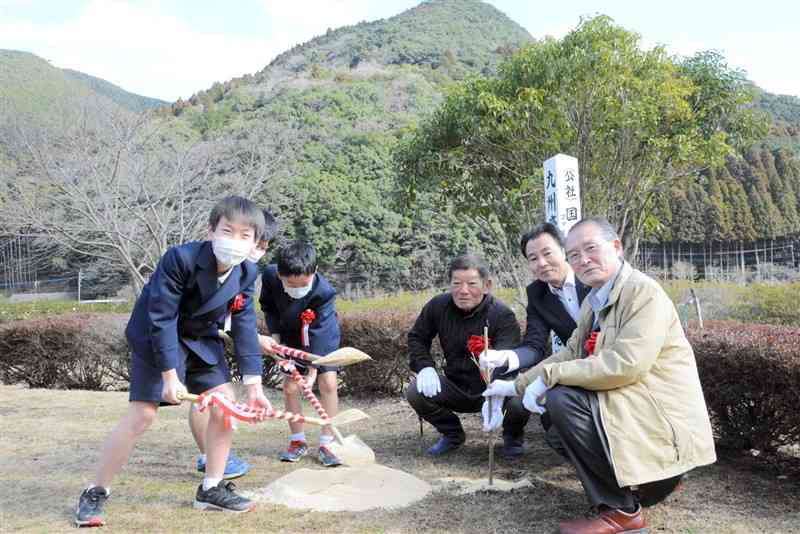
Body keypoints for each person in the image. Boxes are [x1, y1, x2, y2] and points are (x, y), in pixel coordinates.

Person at [484, 217, 716, 534]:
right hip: (630, 401)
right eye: (575, 254)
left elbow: (626, 364)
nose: (582, 260)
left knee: (561, 399)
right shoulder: (594, 300)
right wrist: (513, 384)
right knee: (556, 428)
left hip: (657, 410)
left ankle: (622, 510)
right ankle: (647, 484)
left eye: (590, 249)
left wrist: (550, 376)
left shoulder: (642, 293)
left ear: (616, 247)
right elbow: (568, 351)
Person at [74, 196, 271, 527]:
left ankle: (211, 489)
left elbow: (245, 325)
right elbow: (162, 318)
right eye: (227, 231)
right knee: (142, 416)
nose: (234, 241)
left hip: (201, 339)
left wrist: (254, 385)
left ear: (255, 242)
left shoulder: (247, 272)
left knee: (225, 405)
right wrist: (169, 376)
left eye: (244, 235)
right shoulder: (179, 258)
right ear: (211, 230)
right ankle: (95, 492)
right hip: (158, 336)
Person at [480, 223, 590, 456]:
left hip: (607, 363)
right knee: (552, 419)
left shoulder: (590, 277)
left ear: (564, 250)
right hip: (573, 366)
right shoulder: (537, 294)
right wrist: (506, 356)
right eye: (532, 258)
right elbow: (534, 345)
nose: (541, 263)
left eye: (547, 253)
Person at [188, 209, 279, 480]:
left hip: (210, 338)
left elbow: (239, 317)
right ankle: (210, 456)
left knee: (219, 397)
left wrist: (251, 337)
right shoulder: (200, 262)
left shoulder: (247, 272)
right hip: (191, 339)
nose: (255, 251)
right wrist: (248, 336)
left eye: (261, 246)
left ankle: (215, 464)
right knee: (205, 399)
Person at [406, 253, 521, 456]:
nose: (463, 291)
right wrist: (425, 366)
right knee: (416, 390)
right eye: (456, 283)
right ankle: (452, 434)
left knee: (519, 394)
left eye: (472, 284)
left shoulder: (502, 315)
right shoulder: (438, 306)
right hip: (456, 385)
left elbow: (508, 360)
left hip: (493, 387)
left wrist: (496, 384)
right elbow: (417, 337)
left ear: (487, 285)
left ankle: (512, 436)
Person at [258, 240, 343, 467]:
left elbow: (320, 336)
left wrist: (312, 372)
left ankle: (327, 442)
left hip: (321, 334)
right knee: (290, 386)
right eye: (290, 285)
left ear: (314, 271)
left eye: (303, 285)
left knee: (328, 383)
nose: (297, 290)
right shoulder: (269, 276)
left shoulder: (324, 293)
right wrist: (276, 339)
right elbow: (268, 307)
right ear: (279, 273)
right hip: (290, 334)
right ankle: (297, 441)